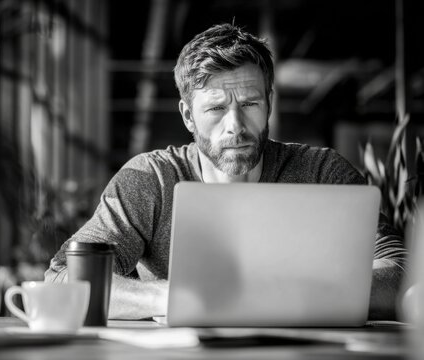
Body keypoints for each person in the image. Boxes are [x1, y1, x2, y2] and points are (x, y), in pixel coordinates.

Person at [45, 23, 407, 320]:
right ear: (188, 116)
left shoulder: (323, 172)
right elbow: (63, 278)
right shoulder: (151, 179)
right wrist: (169, 298)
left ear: (269, 105)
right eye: (216, 108)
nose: (235, 125)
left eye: (250, 103)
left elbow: (403, 271)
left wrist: (275, 298)